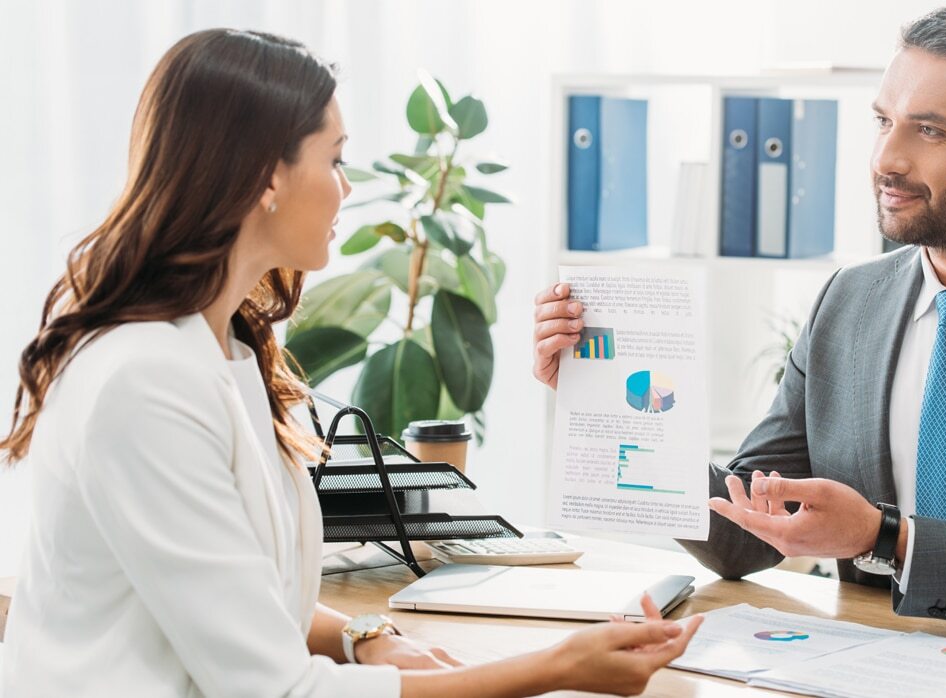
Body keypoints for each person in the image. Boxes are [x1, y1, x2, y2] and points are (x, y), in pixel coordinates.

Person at [0, 28, 699, 697]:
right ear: (263, 177)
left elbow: (242, 597)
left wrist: (366, 635)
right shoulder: (143, 383)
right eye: (334, 159)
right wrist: (555, 667)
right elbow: (276, 688)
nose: (348, 186)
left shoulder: (226, 351)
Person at [533, 5, 946, 641]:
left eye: (928, 130)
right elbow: (743, 532)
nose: (887, 159)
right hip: (868, 660)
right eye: (884, 121)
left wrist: (887, 539)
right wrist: (601, 391)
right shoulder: (850, 301)